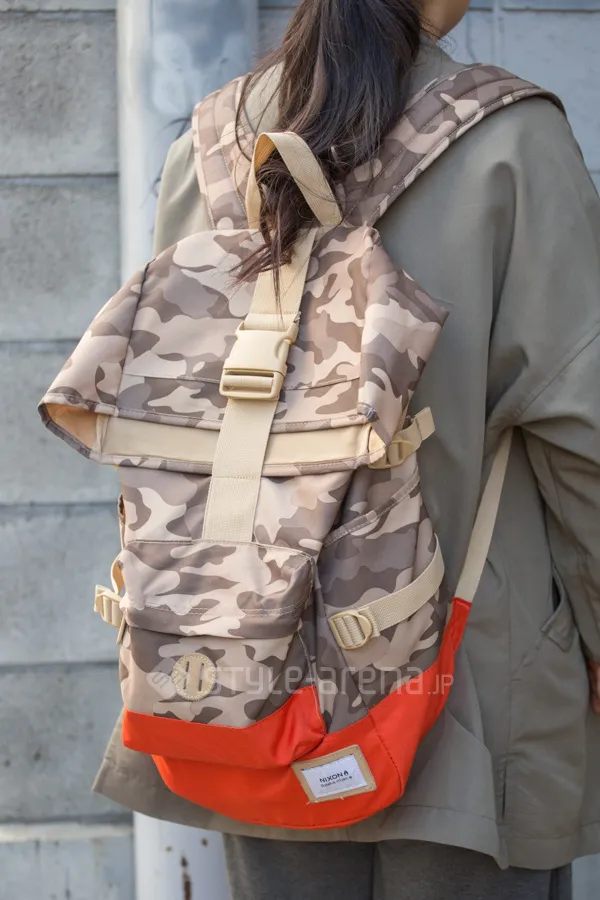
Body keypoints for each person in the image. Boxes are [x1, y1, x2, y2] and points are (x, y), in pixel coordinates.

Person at [93, 0, 600, 897]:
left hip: (247, 679)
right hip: (466, 694)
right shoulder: (512, 142)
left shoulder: (209, 144)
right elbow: (583, 434)